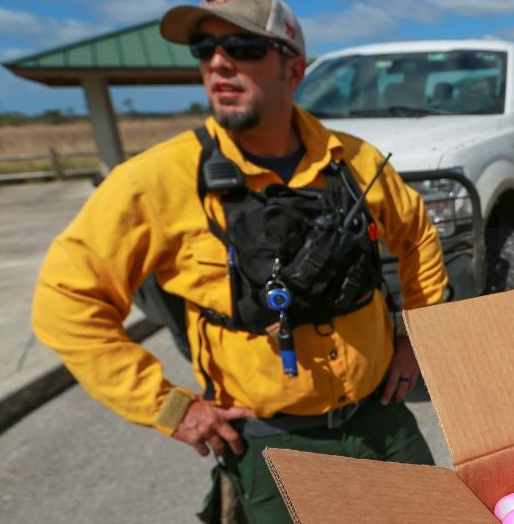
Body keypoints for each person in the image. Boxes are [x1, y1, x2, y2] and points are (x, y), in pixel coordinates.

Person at [30, 0, 449, 521]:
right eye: (204, 48)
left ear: (293, 70)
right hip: (274, 447)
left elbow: (418, 236)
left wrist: (416, 341)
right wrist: (173, 408)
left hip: (380, 420)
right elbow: (65, 303)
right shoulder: (155, 182)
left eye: (244, 47)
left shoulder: (355, 161)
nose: (219, 62)